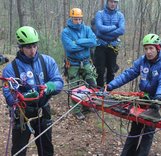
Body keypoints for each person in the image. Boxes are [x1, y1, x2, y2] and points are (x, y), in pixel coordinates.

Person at [2, 26, 64, 156]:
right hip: (22, 115)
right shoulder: (10, 69)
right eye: (28, 47)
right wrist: (23, 97)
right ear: (21, 47)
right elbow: (8, 95)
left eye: (34, 46)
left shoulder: (47, 61)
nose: (32, 50)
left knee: (46, 149)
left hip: (43, 110)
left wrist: (50, 86)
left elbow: (59, 82)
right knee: (19, 150)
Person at [106, 34, 161, 156]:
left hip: (155, 101)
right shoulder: (142, 61)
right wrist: (111, 85)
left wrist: (158, 98)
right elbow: (128, 74)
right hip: (142, 98)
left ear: (158, 48)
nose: (148, 52)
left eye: (151, 48)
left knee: (148, 132)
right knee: (135, 128)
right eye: (146, 49)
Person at [61, 8, 98, 120]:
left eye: (79, 19)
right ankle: (77, 110)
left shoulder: (86, 29)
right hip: (72, 63)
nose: (78, 21)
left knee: (91, 83)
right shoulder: (66, 32)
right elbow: (70, 48)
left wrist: (78, 41)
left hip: (86, 62)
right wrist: (85, 43)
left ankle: (88, 105)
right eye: (75, 19)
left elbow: (93, 41)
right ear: (71, 19)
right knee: (75, 87)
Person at [94, 0, 125, 87]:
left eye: (115, 2)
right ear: (107, 2)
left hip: (113, 46)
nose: (113, 4)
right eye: (111, 1)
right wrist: (115, 27)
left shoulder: (120, 15)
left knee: (111, 70)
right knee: (99, 70)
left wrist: (105, 33)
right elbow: (100, 28)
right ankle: (99, 90)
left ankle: (109, 90)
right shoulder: (99, 14)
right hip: (100, 45)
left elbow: (122, 30)